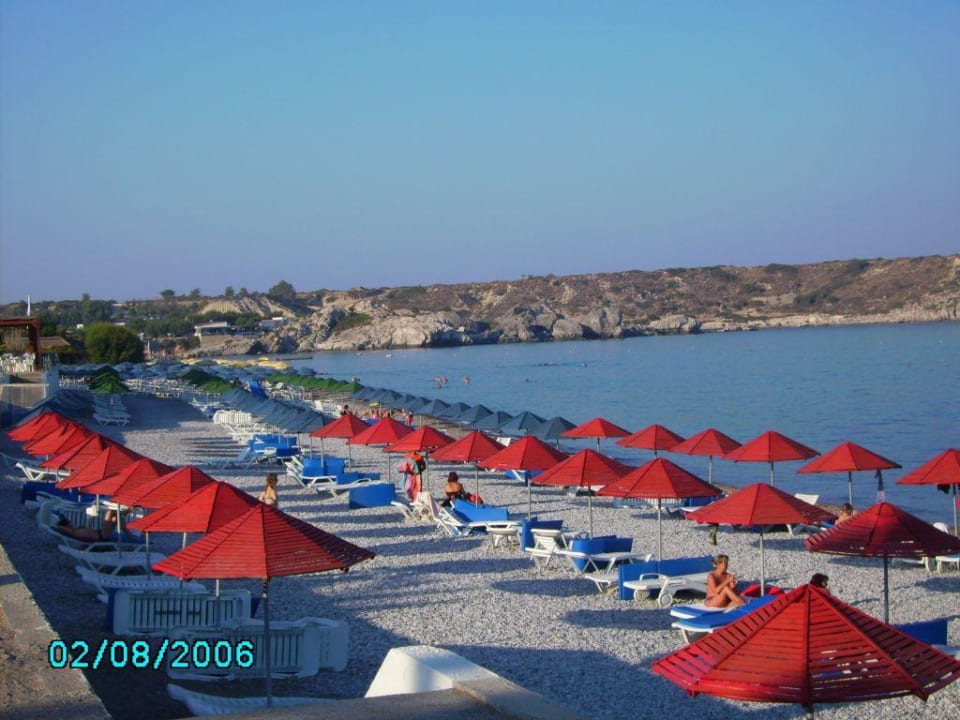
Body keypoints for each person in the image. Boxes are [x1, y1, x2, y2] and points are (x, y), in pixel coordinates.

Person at [57, 509, 121, 543]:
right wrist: (63, 526)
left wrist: (91, 518)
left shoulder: (76, 530)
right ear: (66, 526)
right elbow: (59, 527)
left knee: (115, 518)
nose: (71, 524)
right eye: (69, 524)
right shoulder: (73, 532)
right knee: (110, 512)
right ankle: (128, 510)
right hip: (102, 536)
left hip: (101, 534)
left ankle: (128, 510)